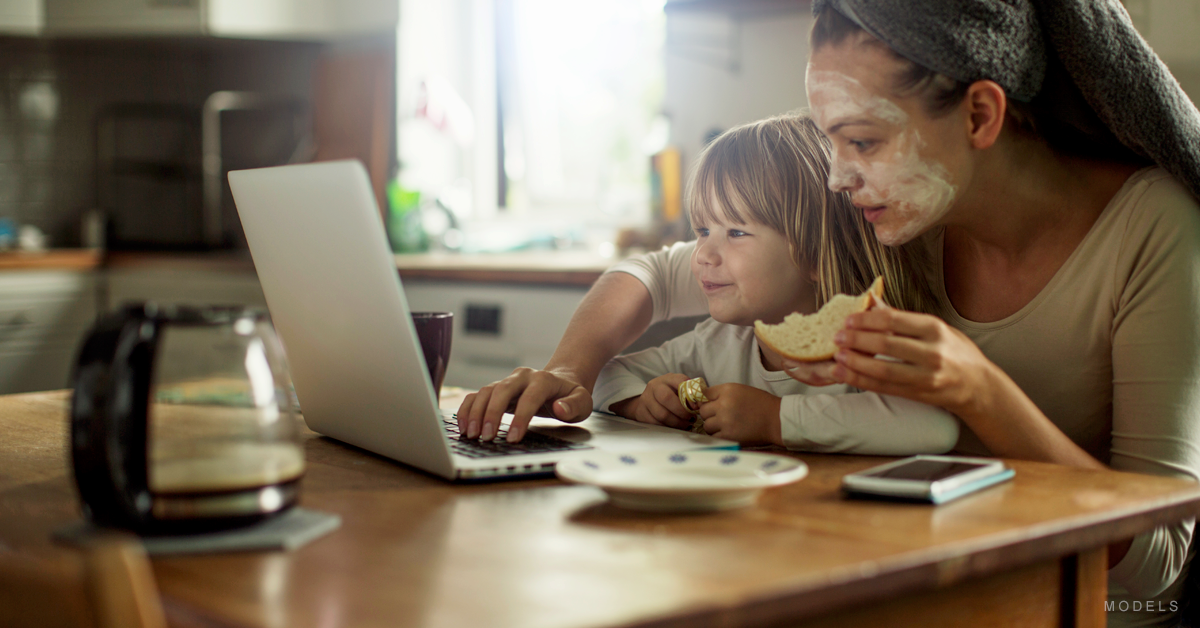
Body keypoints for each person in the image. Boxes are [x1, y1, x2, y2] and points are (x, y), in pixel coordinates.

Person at [458, 1, 1200, 624]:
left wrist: (979, 391)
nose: (838, 178)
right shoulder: (890, 212)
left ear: (980, 114)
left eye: (862, 141)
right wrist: (571, 370)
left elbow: (1156, 567)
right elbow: (659, 271)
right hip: (887, 566)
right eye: (829, 142)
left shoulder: (1151, 230)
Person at [593, 113, 957, 454]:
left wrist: (775, 418)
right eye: (703, 230)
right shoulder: (715, 344)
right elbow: (603, 373)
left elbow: (934, 425)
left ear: (814, 253)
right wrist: (640, 402)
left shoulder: (866, 341)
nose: (704, 253)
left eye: (736, 232)